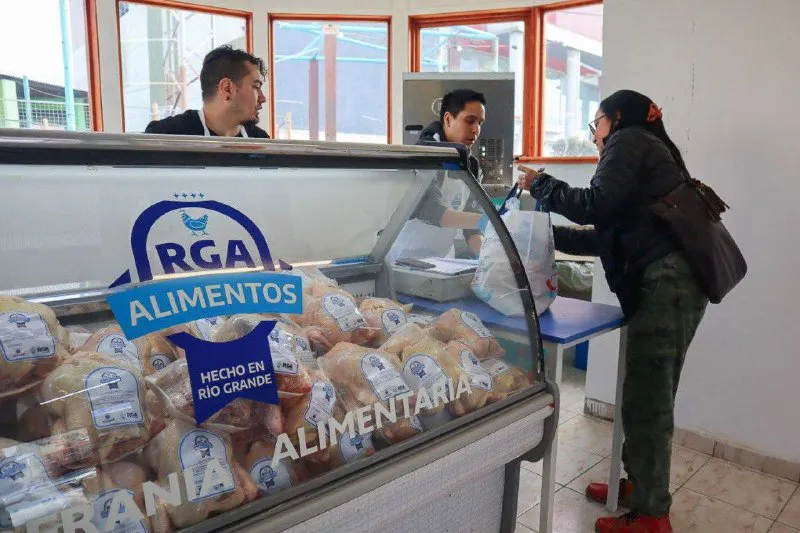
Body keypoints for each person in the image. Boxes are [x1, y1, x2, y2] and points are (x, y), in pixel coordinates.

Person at [518, 90, 708, 533]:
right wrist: (542, 234)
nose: (595, 137)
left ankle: (652, 515)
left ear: (616, 118)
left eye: (596, 125)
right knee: (643, 393)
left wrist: (541, 185)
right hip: (669, 284)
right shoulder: (648, 154)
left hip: (666, 285)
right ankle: (638, 488)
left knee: (649, 401)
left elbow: (593, 204)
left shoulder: (630, 139)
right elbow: (606, 234)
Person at [402, 89, 489, 258]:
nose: (476, 129)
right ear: (448, 119)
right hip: (407, 259)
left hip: (443, 261)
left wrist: (488, 258)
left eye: (480, 123)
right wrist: (484, 220)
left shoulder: (470, 165)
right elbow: (430, 210)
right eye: (470, 120)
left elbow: (471, 228)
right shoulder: (424, 157)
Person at [145, 45, 269, 138]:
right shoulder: (165, 137)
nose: (263, 98)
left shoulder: (261, 142)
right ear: (227, 88)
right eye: (256, 86)